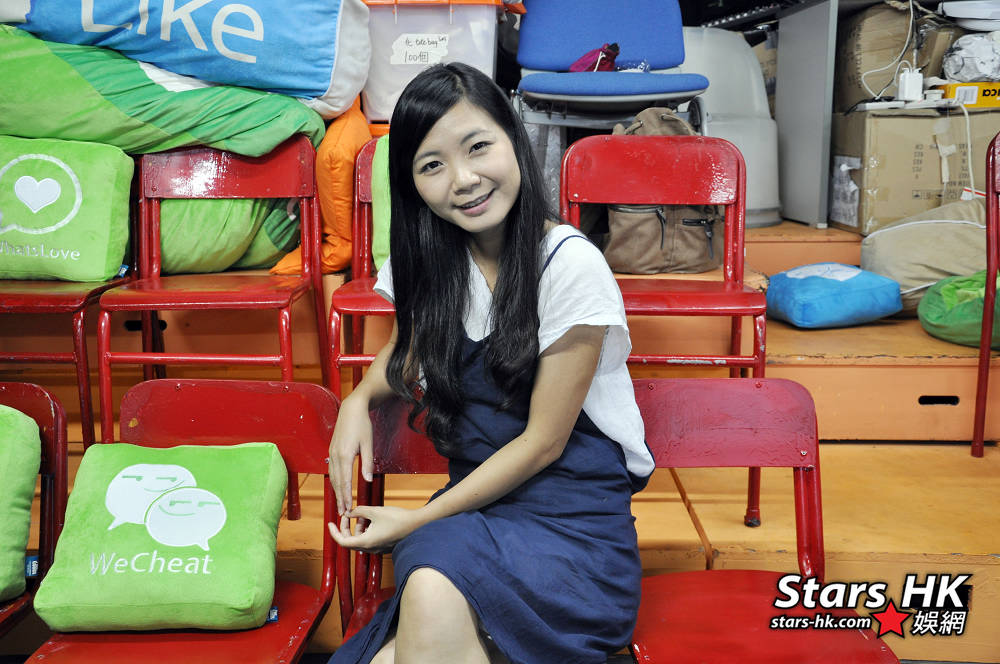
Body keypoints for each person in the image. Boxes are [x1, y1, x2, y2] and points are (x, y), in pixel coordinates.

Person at [327, 62, 654, 664]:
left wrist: (415, 522)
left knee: (430, 581)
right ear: (411, 183)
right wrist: (359, 398)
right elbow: (405, 350)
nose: (463, 179)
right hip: (476, 509)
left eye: (478, 147)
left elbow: (543, 443)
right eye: (432, 165)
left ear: (514, 138)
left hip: (571, 525)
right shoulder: (431, 260)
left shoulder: (568, 265)